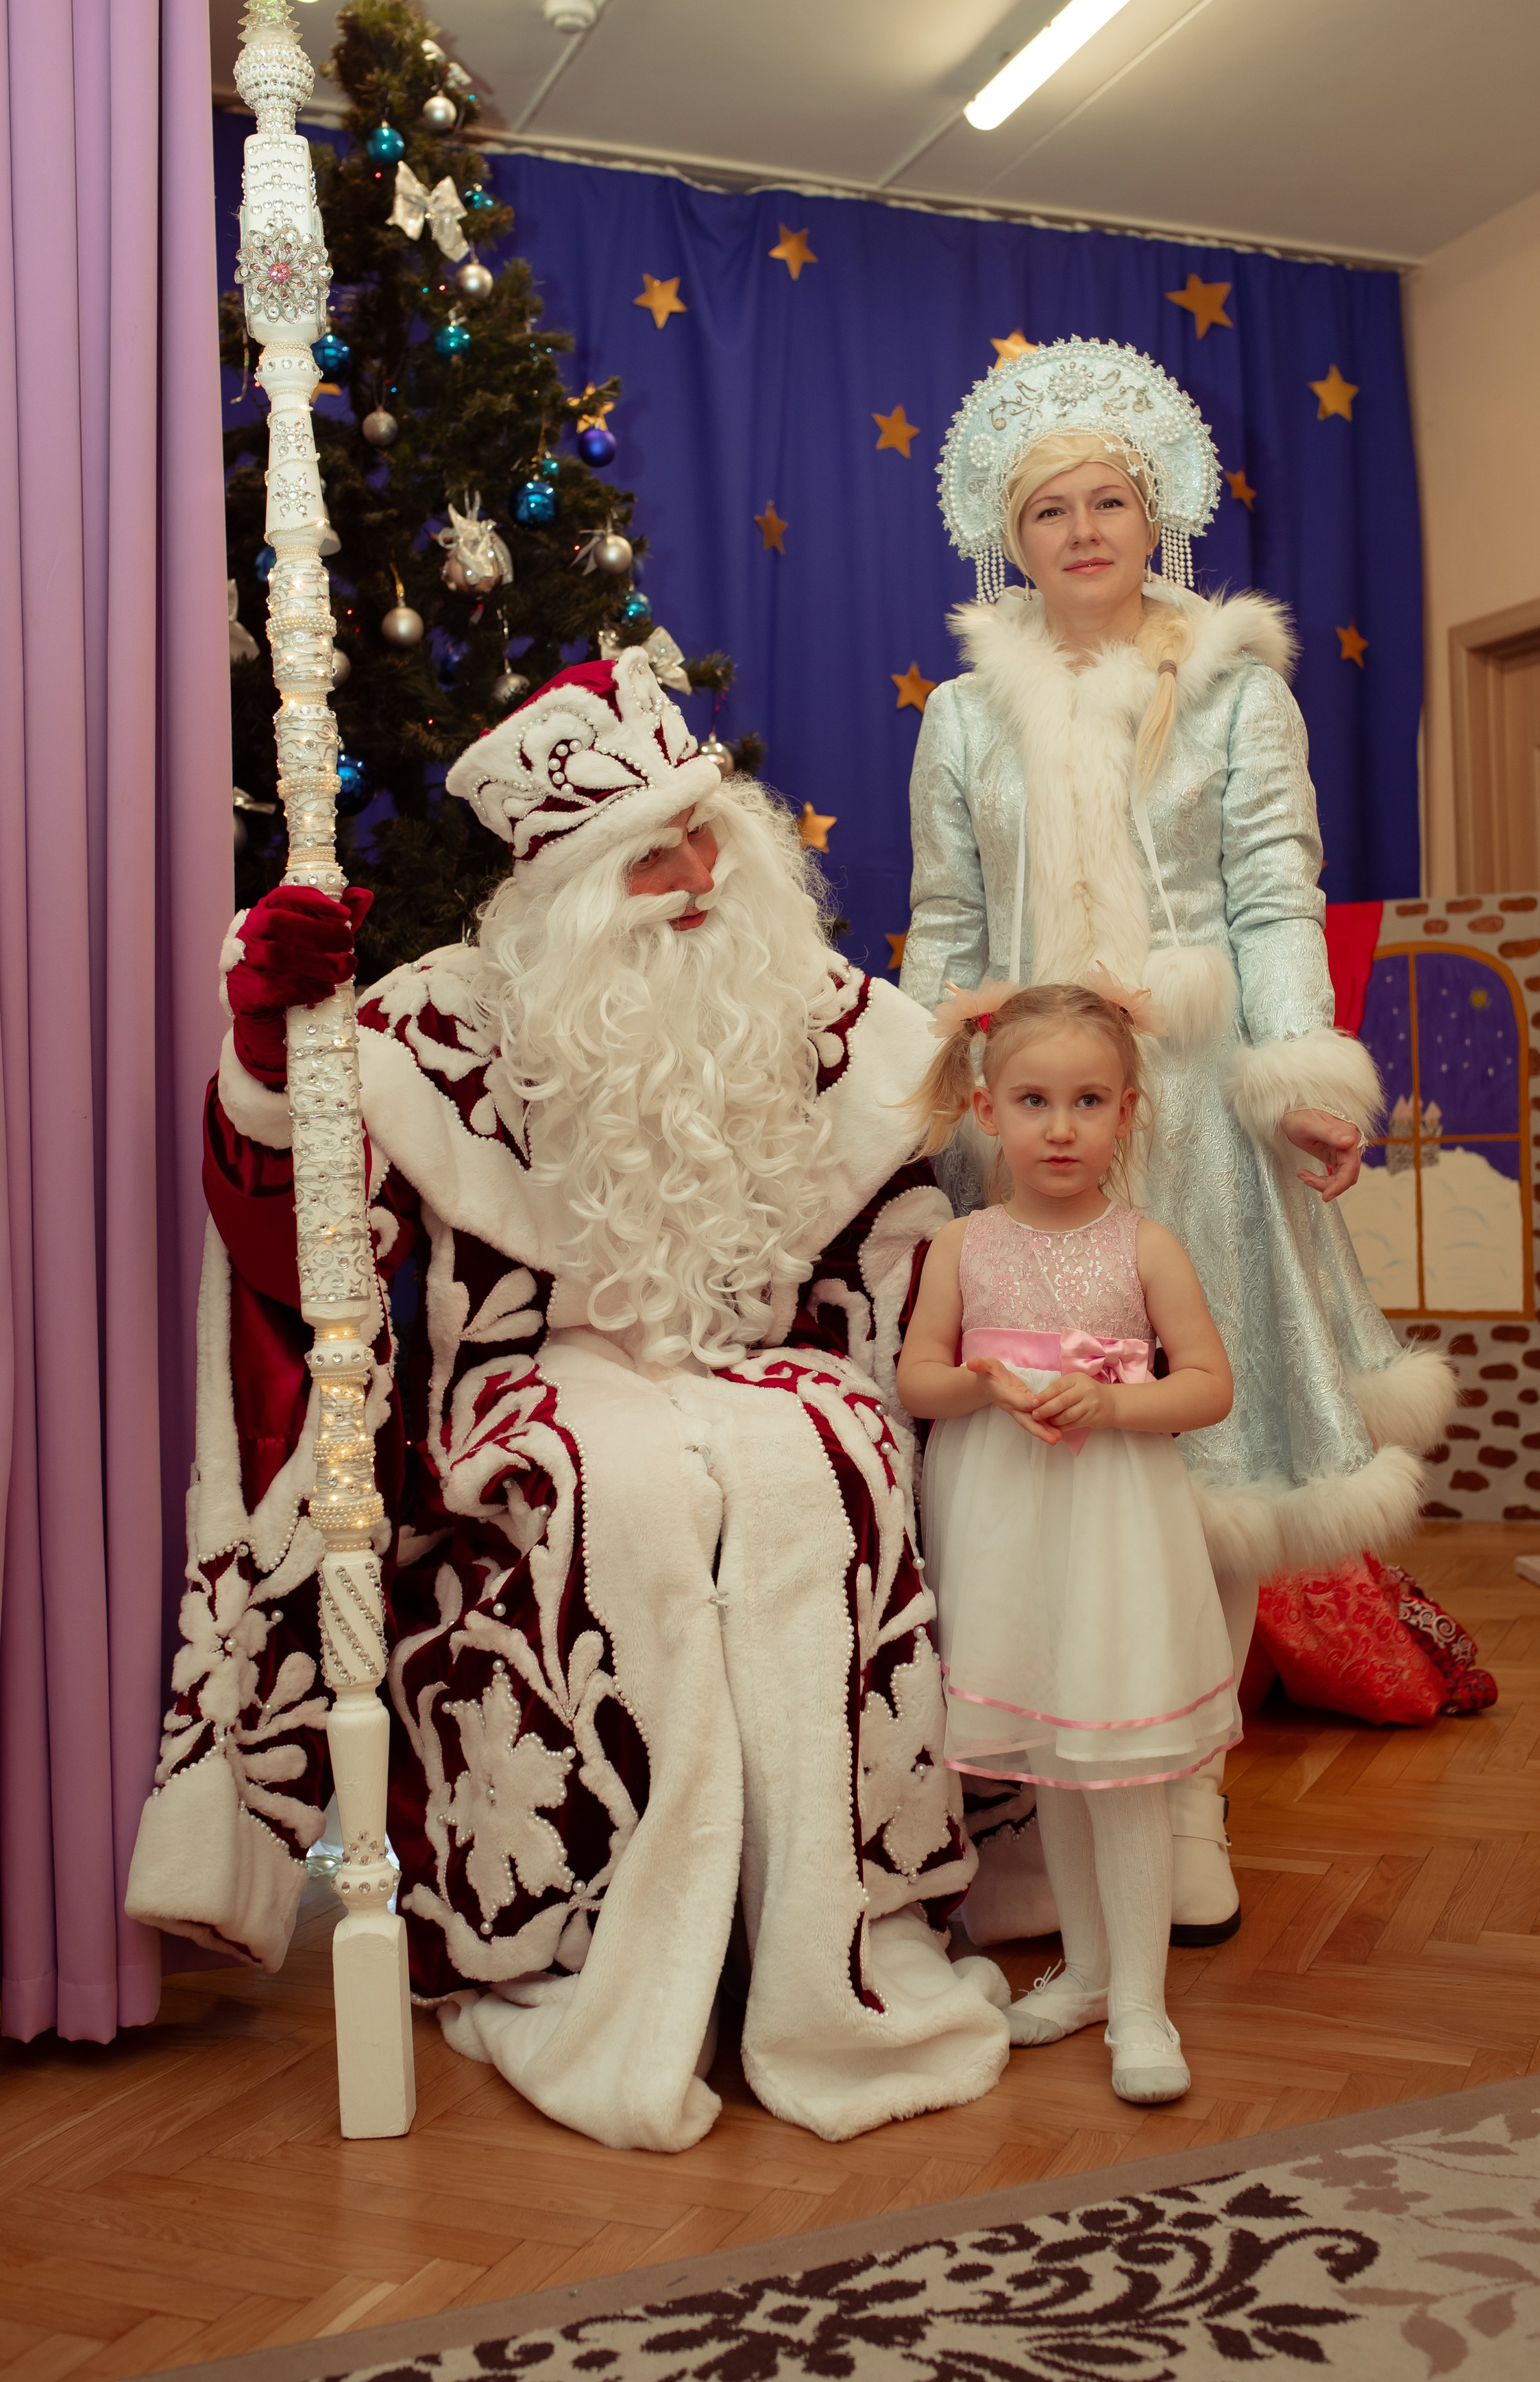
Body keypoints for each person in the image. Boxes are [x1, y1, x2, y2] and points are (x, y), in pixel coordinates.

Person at [127, 649, 1010, 2154]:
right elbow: (300, 1245)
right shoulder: (451, 1023)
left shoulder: (811, 1006)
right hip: (539, 1373)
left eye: (707, 837)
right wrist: (277, 1053)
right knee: (620, 1493)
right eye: (648, 855)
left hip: (765, 1358)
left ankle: (829, 1934)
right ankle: (587, 1935)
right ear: (565, 890)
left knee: (828, 1458)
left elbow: (903, 1221)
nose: (693, 879)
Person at [903, 339, 1454, 1945]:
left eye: (1110, 501)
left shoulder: (1230, 687)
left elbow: (1277, 894)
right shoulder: (959, 716)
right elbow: (943, 917)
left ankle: (1187, 1795)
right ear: (1009, 535)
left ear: (1157, 515)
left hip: (1193, 1115)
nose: (1083, 531)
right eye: (1050, 509)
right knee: (1025, 1453)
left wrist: (1300, 1077)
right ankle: (1027, 1802)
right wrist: (932, 1065)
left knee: (1193, 1472)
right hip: (1018, 1122)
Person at [897, 978, 1239, 2105]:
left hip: (1113, 1531)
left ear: (1129, 1112)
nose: (1061, 1125)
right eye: (1035, 1099)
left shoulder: (1145, 1245)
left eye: (1088, 1100)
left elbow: (1208, 1387)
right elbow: (918, 1378)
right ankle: (1089, 1970)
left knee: (1121, 1760)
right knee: (1056, 1749)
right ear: (987, 1109)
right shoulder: (964, 1245)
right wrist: (985, 1386)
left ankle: (1142, 2002)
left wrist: (1112, 1403)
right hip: (1006, 1526)